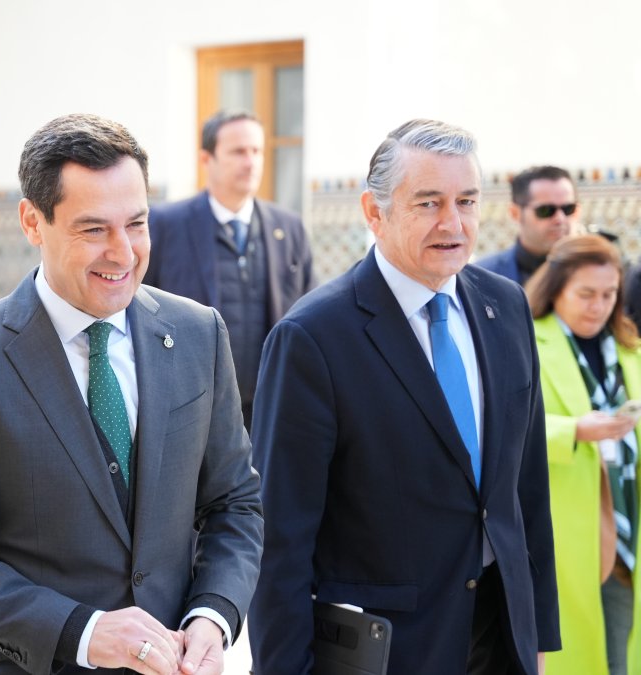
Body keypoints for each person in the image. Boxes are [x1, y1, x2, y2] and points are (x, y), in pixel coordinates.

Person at [0, 113, 263, 675]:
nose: (123, 253)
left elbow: (233, 502)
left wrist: (212, 614)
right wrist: (84, 632)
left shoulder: (198, 334)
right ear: (32, 221)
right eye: (94, 229)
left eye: (136, 224)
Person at [248, 119, 560, 674]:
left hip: (502, 633)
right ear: (374, 212)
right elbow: (281, 537)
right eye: (428, 202)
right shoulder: (314, 337)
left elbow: (525, 489)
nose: (453, 222)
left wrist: (537, 630)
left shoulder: (506, 306)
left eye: (466, 200)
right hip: (391, 647)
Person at [143, 110, 314, 426]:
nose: (250, 162)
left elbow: (310, 315)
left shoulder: (289, 228)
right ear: (206, 159)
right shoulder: (167, 226)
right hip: (190, 408)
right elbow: (141, 310)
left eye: (257, 151)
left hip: (273, 409)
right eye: (238, 151)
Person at [525, 234, 641, 675]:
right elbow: (505, 426)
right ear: (556, 289)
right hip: (570, 531)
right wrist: (575, 430)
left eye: (609, 294)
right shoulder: (528, 341)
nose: (599, 306)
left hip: (629, 528)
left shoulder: (630, 349)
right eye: (586, 294)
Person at [476, 165, 580, 286]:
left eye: (568, 209)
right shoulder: (481, 280)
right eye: (545, 210)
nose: (560, 219)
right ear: (515, 213)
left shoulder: (600, 272)